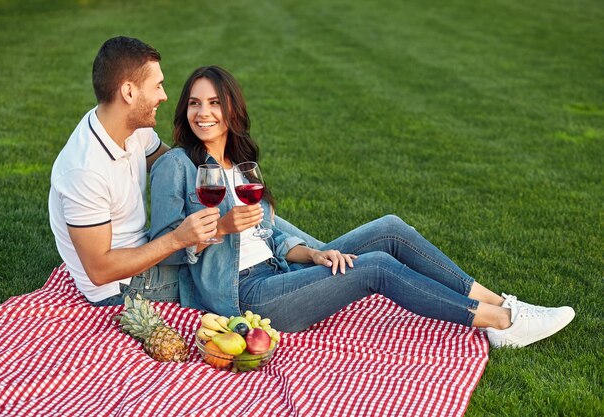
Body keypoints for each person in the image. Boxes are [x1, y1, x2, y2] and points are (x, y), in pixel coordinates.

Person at [149, 65, 575, 348]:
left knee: (389, 228)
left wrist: (313, 253)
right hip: (246, 295)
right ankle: (499, 323)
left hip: (281, 271)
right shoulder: (177, 166)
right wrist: (219, 229)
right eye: (194, 103)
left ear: (231, 109)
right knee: (373, 267)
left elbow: (269, 235)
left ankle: (503, 303)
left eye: (214, 102)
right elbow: (164, 248)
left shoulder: (241, 165)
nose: (203, 113)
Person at [48, 37, 220, 306]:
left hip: (143, 253)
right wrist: (178, 239)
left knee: (239, 224)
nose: (164, 96)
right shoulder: (84, 170)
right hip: (121, 287)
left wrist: (218, 161)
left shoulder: (131, 129)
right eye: (157, 86)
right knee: (228, 267)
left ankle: (306, 252)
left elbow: (176, 164)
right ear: (128, 92)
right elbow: (100, 271)